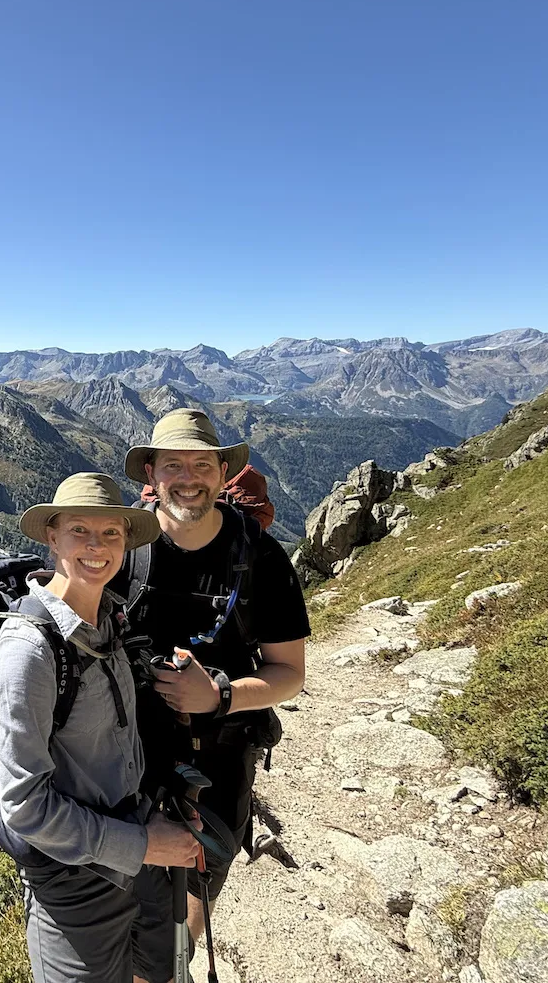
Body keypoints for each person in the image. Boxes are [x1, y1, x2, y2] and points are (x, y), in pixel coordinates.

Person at [0, 472, 207, 983]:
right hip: (74, 881)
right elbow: (25, 808)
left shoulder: (111, 618)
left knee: (166, 971)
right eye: (80, 530)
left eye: (111, 534)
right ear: (51, 537)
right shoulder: (27, 654)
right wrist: (146, 846)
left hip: (140, 838)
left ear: (126, 542)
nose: (97, 546)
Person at [114, 410, 311, 983]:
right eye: (174, 464)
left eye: (203, 464)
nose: (189, 477)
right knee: (125, 895)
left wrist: (218, 695)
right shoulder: (119, 548)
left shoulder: (262, 559)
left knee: (193, 901)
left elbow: (289, 674)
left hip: (222, 756)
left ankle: (172, 963)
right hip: (128, 755)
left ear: (225, 472)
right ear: (151, 472)